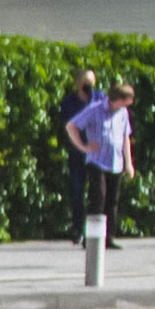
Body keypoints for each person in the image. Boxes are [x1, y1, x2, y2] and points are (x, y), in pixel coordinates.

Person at [65, 82, 136, 249]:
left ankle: (108, 237)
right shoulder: (95, 109)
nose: (126, 106)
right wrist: (83, 146)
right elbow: (71, 126)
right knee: (98, 197)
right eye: (125, 102)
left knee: (112, 200)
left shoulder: (122, 113)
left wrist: (128, 163)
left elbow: (125, 136)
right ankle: (92, 237)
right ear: (116, 99)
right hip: (97, 160)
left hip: (115, 161)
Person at [57, 70, 99, 243]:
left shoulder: (99, 99)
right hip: (77, 152)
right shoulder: (68, 102)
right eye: (84, 82)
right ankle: (78, 230)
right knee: (77, 191)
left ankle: (97, 232)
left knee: (97, 193)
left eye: (90, 82)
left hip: (96, 153)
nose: (87, 86)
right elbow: (65, 126)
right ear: (77, 83)